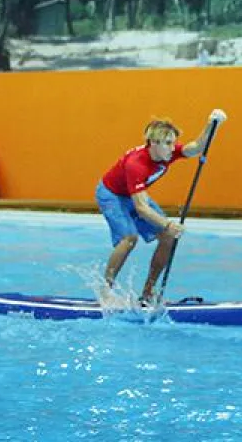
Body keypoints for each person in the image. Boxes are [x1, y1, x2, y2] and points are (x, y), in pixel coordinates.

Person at [96, 109, 227, 305]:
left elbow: (196, 147)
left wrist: (212, 124)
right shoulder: (136, 164)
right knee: (129, 238)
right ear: (153, 144)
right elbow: (140, 207)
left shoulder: (167, 151)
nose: (172, 148)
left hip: (135, 195)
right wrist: (167, 223)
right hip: (112, 196)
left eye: (172, 142)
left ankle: (148, 293)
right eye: (168, 144)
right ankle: (105, 291)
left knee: (168, 238)